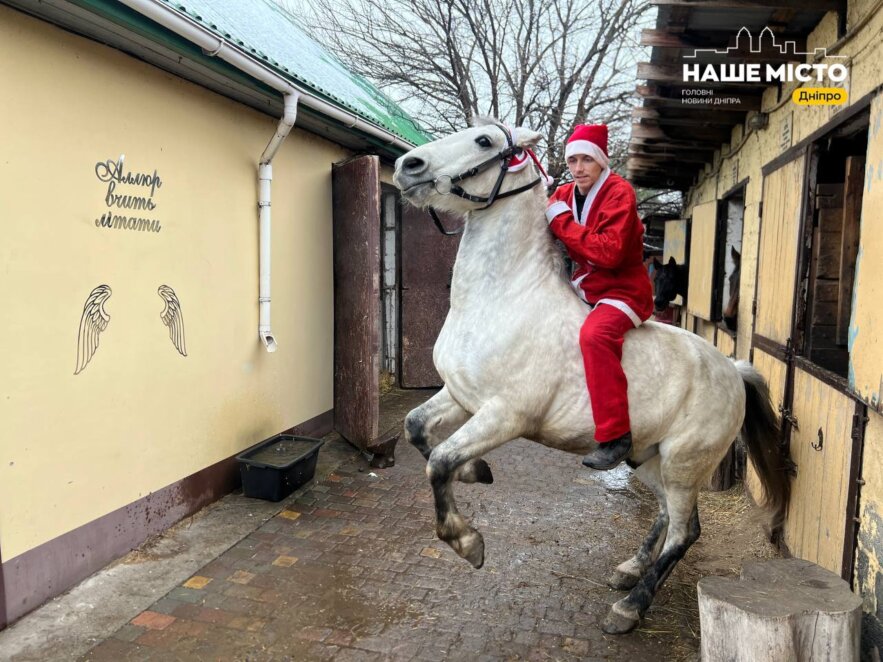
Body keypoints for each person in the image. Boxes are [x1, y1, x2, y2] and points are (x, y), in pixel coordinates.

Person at [545, 124, 654, 470]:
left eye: (586, 160)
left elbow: (608, 254)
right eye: (573, 160)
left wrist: (561, 223)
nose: (578, 168)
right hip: (585, 286)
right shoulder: (562, 194)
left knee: (595, 335)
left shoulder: (620, 193)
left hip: (624, 290)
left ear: (602, 162)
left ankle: (616, 436)